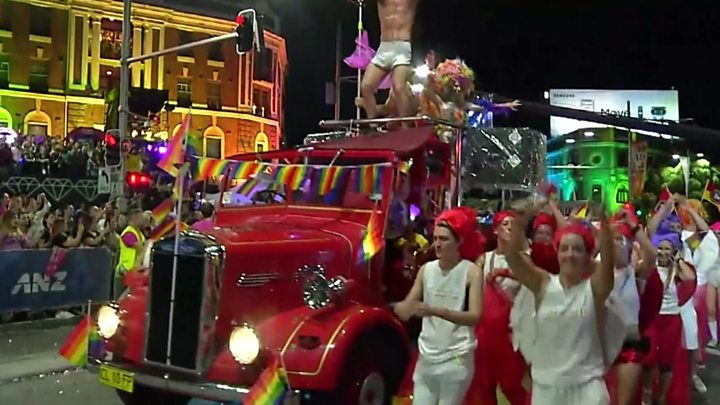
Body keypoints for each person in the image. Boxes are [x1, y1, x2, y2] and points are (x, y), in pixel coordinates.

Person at [507, 201, 625, 405]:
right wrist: (520, 219)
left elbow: (608, 262)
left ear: (588, 256)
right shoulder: (543, 284)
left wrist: (604, 223)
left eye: (577, 249)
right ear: (557, 253)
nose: (570, 254)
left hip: (587, 387)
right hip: (547, 388)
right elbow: (512, 257)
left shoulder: (594, 289)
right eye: (565, 249)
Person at [393, 207, 483, 405]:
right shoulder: (426, 270)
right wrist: (396, 308)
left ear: (459, 241)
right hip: (427, 357)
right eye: (435, 239)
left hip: (456, 357)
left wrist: (437, 311)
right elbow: (407, 307)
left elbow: (476, 316)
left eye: (444, 239)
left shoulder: (471, 272)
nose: (437, 244)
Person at [470, 210, 529, 405]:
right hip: (485, 334)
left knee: (513, 385)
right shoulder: (484, 260)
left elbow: (532, 284)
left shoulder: (524, 259)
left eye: (513, 224)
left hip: (511, 333)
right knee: (484, 385)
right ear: (495, 230)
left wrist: (504, 273)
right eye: (505, 223)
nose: (510, 227)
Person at [606, 209, 657, 405]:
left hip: (629, 348)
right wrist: (608, 229)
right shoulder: (597, 270)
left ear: (630, 247)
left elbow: (651, 254)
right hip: (602, 348)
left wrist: (633, 225)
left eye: (622, 240)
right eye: (613, 240)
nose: (618, 244)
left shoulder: (635, 274)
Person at [644, 232, 696, 405]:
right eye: (660, 248)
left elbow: (690, 278)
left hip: (671, 319)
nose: (663, 252)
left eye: (667, 249)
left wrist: (678, 260)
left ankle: (662, 397)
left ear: (673, 251)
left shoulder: (677, 271)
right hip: (652, 318)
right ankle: (647, 394)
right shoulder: (649, 267)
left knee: (666, 362)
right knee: (649, 359)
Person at [360, 0, 419, 122]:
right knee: (366, 86)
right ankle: (373, 125)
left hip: (402, 47)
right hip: (384, 48)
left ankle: (405, 127)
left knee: (399, 87)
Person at [115, 209, 149, 299]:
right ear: (135, 219)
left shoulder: (139, 233)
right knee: (120, 300)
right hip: (124, 271)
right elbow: (141, 249)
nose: (144, 219)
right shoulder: (128, 233)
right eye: (141, 217)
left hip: (134, 272)